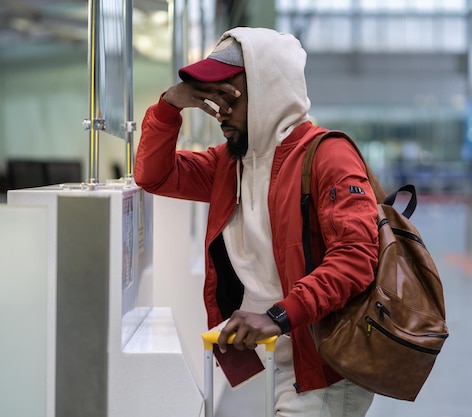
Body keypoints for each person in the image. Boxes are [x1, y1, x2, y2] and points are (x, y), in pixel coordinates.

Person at [134, 27, 378, 417]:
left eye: (229, 94)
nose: (219, 111)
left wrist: (276, 317)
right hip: (271, 359)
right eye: (211, 97)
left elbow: (355, 259)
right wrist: (169, 106)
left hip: (322, 365)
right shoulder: (230, 163)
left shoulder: (328, 156)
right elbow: (154, 176)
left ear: (268, 90)